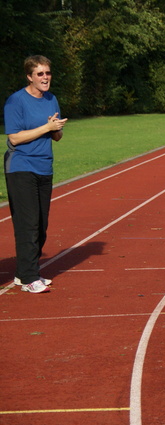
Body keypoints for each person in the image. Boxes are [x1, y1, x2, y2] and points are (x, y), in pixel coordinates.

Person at [4, 55, 67, 294]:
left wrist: (56, 128)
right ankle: (31, 277)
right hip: (21, 166)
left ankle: (23, 273)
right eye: (40, 74)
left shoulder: (52, 99)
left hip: (44, 166)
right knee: (28, 223)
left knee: (41, 226)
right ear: (29, 76)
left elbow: (56, 136)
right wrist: (47, 127)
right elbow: (14, 138)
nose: (45, 78)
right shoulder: (16, 101)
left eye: (48, 73)